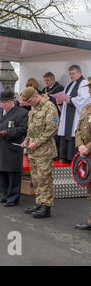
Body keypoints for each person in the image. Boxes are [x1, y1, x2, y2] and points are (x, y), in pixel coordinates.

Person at [21, 87, 59, 219]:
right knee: (36, 179)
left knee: (44, 179)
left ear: (35, 96)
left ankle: (46, 206)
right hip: (33, 150)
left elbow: (52, 130)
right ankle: (39, 202)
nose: (29, 104)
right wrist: (26, 140)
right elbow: (31, 128)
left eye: (30, 101)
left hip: (44, 150)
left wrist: (36, 142)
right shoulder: (34, 108)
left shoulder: (49, 108)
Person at [0, 90, 28, 207]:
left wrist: (7, 133)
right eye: (2, 102)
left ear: (12, 101)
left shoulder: (22, 113)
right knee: (1, 172)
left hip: (11, 146)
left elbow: (23, 129)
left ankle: (13, 198)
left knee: (13, 173)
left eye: (6, 102)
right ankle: (4, 195)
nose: (3, 104)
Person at [57, 65, 89, 163]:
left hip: (76, 117)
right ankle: (64, 156)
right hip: (67, 117)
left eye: (73, 73)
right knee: (65, 133)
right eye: (70, 74)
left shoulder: (84, 83)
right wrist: (60, 103)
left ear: (79, 73)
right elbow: (65, 105)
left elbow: (85, 100)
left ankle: (72, 159)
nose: (71, 76)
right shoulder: (69, 85)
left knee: (73, 133)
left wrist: (70, 100)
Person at [73, 76, 91, 231]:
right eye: (89, 88)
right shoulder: (87, 108)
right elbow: (78, 129)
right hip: (86, 154)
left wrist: (88, 147)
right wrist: (80, 145)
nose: (90, 91)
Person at [41, 72, 64, 159]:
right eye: (45, 81)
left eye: (48, 80)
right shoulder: (44, 89)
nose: (46, 83)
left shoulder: (59, 88)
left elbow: (60, 100)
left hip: (56, 114)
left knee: (55, 133)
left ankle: (56, 153)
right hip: (46, 115)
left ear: (53, 79)